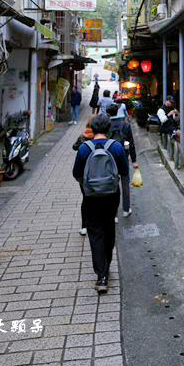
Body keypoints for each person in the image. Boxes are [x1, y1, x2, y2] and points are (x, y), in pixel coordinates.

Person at [73, 113, 128, 292]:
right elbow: (124, 171)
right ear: (108, 129)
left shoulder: (83, 148)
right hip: (112, 194)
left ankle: (101, 276)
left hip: (91, 197)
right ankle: (107, 262)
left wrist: (88, 184)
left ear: (93, 128)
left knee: (95, 233)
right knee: (109, 228)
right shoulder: (116, 147)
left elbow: (77, 173)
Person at [108, 103, 137, 217]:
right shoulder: (125, 125)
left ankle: (114, 214)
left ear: (108, 113)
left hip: (110, 158)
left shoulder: (106, 124)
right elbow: (131, 143)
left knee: (112, 185)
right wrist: (134, 159)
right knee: (125, 184)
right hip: (123, 156)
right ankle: (126, 209)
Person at [73, 120, 95, 236]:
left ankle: (84, 226)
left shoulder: (83, 140)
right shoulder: (101, 139)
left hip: (84, 177)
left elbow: (74, 147)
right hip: (97, 176)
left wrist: (79, 179)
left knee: (86, 200)